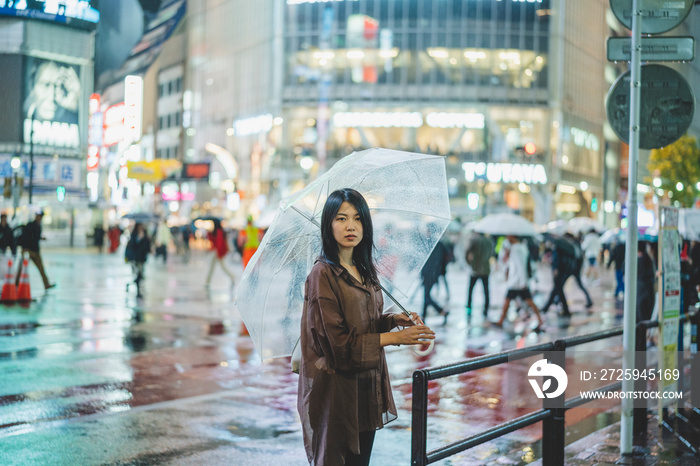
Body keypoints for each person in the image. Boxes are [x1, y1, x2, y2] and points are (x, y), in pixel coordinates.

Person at [298, 188, 435, 466]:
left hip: (367, 388)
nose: (351, 226)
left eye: (358, 218)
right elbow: (338, 344)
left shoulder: (364, 268)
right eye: (341, 218)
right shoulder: (322, 274)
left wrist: (394, 320)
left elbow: (365, 321)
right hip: (338, 391)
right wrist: (395, 339)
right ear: (328, 224)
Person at [492, 235, 544, 330]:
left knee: (525, 301)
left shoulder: (516, 249)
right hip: (518, 281)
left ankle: (501, 321)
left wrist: (523, 282)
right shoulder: (520, 247)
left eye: (509, 236)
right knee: (519, 301)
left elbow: (520, 266)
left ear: (513, 237)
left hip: (517, 282)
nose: (507, 237)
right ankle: (501, 320)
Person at [16, 210, 54, 290]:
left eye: (40, 217)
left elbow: (35, 237)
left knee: (41, 268)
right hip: (28, 251)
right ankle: (16, 284)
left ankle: (46, 284)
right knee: (22, 268)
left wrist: (41, 238)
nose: (39, 218)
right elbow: (25, 237)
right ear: (36, 216)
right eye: (38, 216)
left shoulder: (38, 226)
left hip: (36, 251)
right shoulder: (31, 225)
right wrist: (25, 248)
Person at [420, 238, 449, 324]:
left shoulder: (429, 245)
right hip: (434, 273)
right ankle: (424, 316)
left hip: (429, 273)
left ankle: (441, 311)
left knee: (426, 296)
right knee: (426, 295)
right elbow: (445, 257)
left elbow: (426, 261)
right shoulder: (439, 244)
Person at [465, 231, 493, 318]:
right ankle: (486, 309)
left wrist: (469, 262)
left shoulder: (474, 240)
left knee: (471, 290)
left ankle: (469, 308)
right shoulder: (489, 242)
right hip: (485, 269)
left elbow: (467, 252)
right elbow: (492, 253)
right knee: (486, 291)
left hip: (475, 269)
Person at [205, 219, 236, 287]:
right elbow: (213, 240)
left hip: (217, 251)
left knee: (218, 267)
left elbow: (219, 243)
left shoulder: (219, 231)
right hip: (217, 251)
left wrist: (220, 253)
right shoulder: (219, 231)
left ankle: (232, 277)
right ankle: (208, 281)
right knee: (215, 267)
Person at [125, 223, 150, 299]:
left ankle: (132, 285)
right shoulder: (134, 234)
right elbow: (132, 245)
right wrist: (138, 239)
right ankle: (138, 291)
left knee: (141, 274)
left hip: (142, 257)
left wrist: (146, 239)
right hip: (136, 258)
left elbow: (147, 246)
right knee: (139, 273)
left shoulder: (145, 234)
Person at [637, 241, 656, 322]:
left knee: (640, 314)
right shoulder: (649, 259)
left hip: (640, 291)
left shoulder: (637, 260)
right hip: (649, 291)